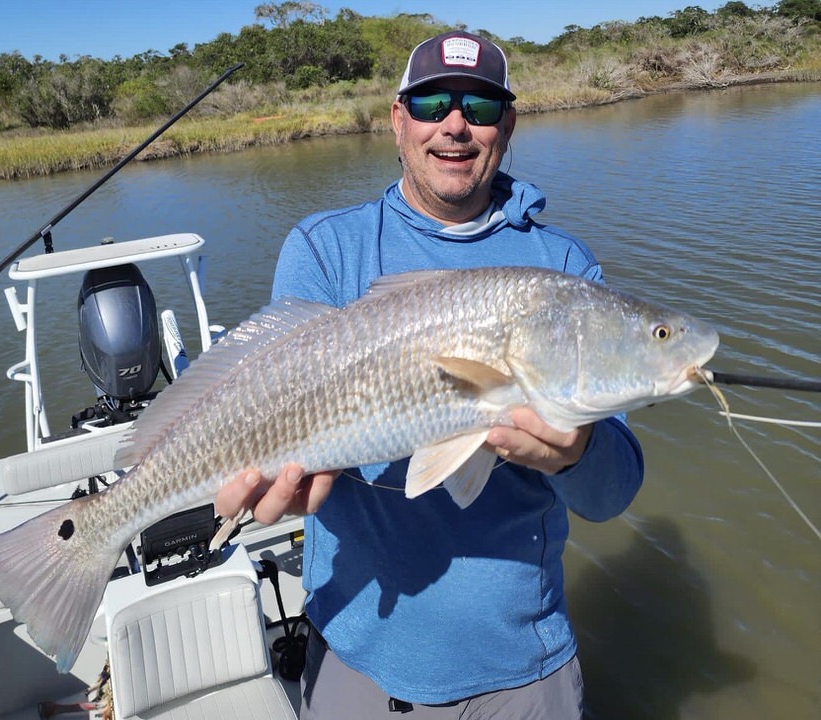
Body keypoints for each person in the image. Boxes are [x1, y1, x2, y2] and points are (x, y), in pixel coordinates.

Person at [216, 30, 643, 719]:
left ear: (507, 125)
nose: (454, 124)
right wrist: (270, 484)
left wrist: (580, 451)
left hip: (521, 671)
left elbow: (612, 494)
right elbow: (272, 406)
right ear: (397, 120)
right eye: (432, 102)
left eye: (478, 106)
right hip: (357, 651)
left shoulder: (563, 271)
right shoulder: (326, 249)